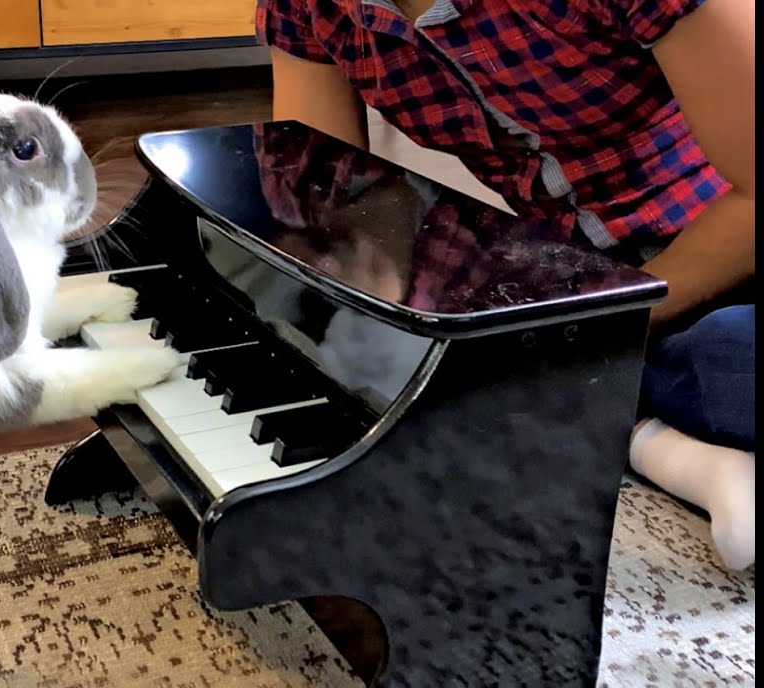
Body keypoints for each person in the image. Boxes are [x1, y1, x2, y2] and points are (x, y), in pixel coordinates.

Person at [256, 0, 754, 569]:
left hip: (724, 247)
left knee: (727, 355)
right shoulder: (310, 8)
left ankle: (600, 398)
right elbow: (321, 192)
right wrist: (361, 269)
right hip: (577, 265)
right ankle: (665, 446)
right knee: (369, 346)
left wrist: (593, 322)